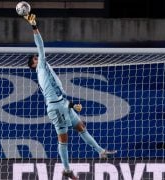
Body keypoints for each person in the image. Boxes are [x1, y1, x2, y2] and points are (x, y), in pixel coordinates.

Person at [23, 14, 117, 179]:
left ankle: (101, 152)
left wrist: (71, 104)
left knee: (81, 126)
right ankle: (66, 169)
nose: (38, 57)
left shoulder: (46, 70)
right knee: (63, 138)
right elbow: (40, 45)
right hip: (56, 108)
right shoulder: (41, 68)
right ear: (33, 64)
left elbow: (56, 91)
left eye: (37, 57)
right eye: (36, 58)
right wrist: (34, 26)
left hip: (63, 103)